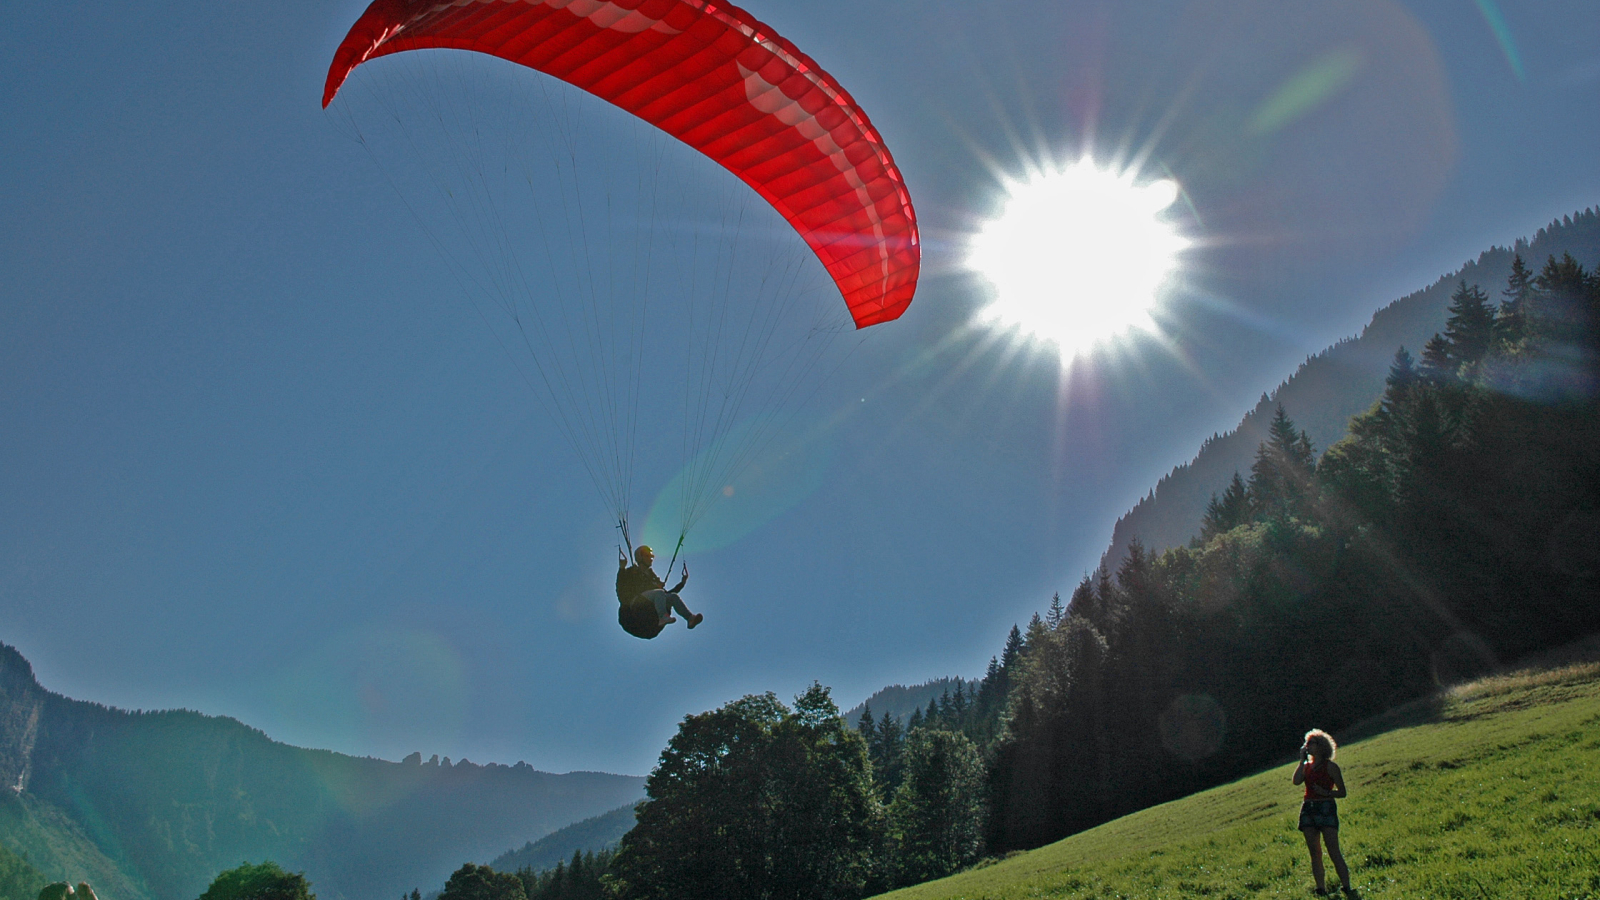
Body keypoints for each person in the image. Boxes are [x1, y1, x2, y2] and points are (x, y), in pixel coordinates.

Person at [1293, 728, 1351, 895]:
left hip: (1326, 807)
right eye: (1307, 743)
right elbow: (1296, 782)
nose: (1308, 746)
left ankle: (1346, 886)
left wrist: (1326, 792)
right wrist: (1301, 762)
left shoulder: (1331, 767)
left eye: (1312, 743)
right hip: (1309, 809)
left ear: (1321, 746)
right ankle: (1320, 888)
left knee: (1333, 850)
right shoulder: (1306, 767)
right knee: (1314, 852)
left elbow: (1342, 792)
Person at [616, 545, 702, 639]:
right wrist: (622, 568)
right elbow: (621, 587)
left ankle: (690, 618)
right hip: (636, 608)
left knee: (673, 596)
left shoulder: (652, 578)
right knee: (659, 593)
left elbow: (665, 595)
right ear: (640, 557)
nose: (651, 559)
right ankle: (662, 617)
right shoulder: (631, 572)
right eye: (647, 556)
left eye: (651, 556)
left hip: (650, 615)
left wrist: (682, 583)